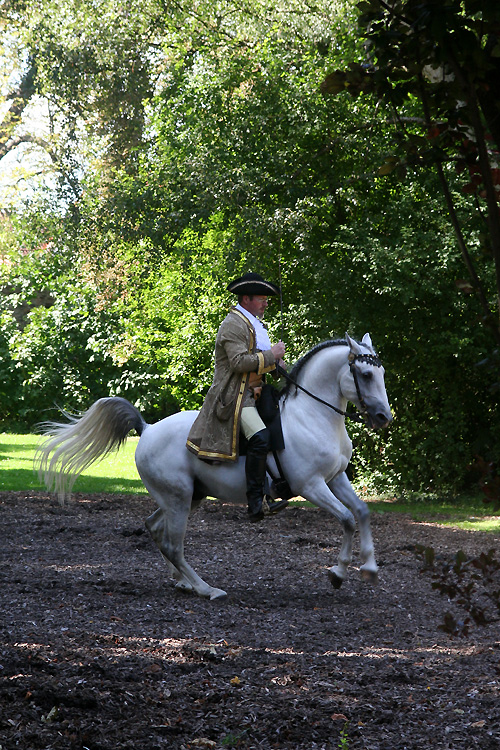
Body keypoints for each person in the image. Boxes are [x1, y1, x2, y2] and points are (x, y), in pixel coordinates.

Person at [186, 272, 289, 521]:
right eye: (262, 299)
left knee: (280, 427)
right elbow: (238, 363)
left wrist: (281, 367)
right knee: (261, 437)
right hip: (235, 397)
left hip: (256, 393)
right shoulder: (233, 324)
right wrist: (272, 355)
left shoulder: (253, 324)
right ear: (246, 298)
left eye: (267, 299)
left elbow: (260, 362)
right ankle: (256, 503)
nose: (266, 303)